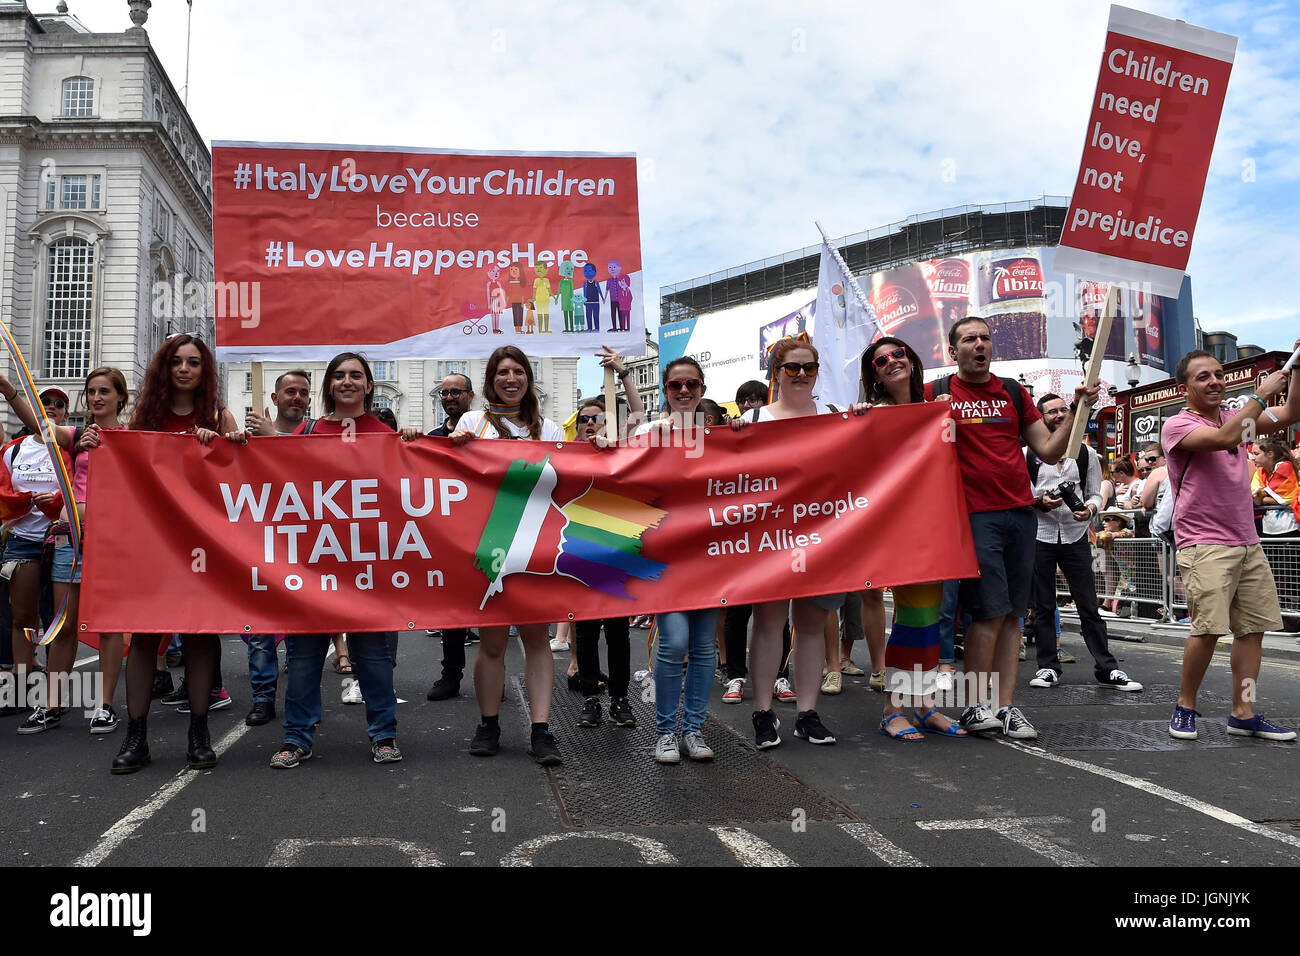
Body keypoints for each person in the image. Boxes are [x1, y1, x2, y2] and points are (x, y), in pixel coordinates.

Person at [926, 316, 1098, 739]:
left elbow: (1048, 449)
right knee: (987, 613)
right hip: (973, 515)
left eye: (985, 338)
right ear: (953, 351)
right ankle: (975, 705)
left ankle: (1006, 707)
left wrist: (1077, 410)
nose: (980, 345)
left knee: (1013, 617)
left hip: (1021, 514)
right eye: (969, 339)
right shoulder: (937, 392)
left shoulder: (1013, 392)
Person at [267, 352, 409, 768]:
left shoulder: (386, 434)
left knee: (374, 657)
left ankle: (385, 735)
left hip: (367, 562)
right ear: (329, 385)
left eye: (356, 376)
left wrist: (415, 444)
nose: (347, 382)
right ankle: (297, 738)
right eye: (340, 376)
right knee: (304, 655)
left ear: (369, 385)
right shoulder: (307, 431)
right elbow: (271, 479)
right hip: (315, 561)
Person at [731, 335, 868, 748]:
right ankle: (762, 713)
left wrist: (863, 420)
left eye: (809, 367)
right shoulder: (754, 421)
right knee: (769, 623)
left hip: (823, 537)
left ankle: (807, 714)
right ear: (777, 372)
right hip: (770, 538)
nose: (802, 374)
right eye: (793, 367)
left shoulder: (833, 414)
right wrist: (731, 434)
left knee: (810, 626)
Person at [112, 334, 239, 773]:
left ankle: (199, 732)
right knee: (146, 637)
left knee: (202, 636)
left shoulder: (218, 416)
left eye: (194, 363)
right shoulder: (144, 417)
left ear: (205, 372)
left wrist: (224, 443)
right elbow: (120, 468)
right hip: (152, 544)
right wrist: (94, 444)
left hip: (204, 545)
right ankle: (137, 734)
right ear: (164, 369)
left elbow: (242, 470)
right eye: (176, 362)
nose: (185, 369)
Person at [1163, 348, 1300, 742]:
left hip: (1247, 541)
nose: (1214, 381)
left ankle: (1243, 711)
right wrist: (1260, 395)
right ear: (1185, 386)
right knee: (1207, 630)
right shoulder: (1177, 425)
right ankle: (1185, 706)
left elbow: (1291, 412)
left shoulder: (1238, 422)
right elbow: (1222, 438)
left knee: (1252, 631)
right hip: (1204, 543)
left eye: (1219, 374)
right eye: (1203, 376)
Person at [449, 345, 565, 765]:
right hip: (489, 539)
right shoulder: (470, 421)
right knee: (493, 640)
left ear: (528, 379)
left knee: (537, 638)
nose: (511, 378)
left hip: (536, 541)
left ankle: (541, 730)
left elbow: (566, 477)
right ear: (490, 380)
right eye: (502, 372)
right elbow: (452, 477)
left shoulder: (549, 428)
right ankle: (489, 723)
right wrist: (455, 445)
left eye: (518, 371)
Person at [861, 337, 968, 739]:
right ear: (874, 375)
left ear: (912, 358)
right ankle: (893, 709)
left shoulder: (936, 411)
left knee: (930, 618)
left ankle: (923, 706)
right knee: (910, 617)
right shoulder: (874, 415)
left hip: (936, 525)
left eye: (898, 354)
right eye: (881, 360)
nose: (891, 362)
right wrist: (858, 420)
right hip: (899, 528)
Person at [635, 357, 721, 762]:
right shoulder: (647, 433)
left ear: (702, 389)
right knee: (674, 643)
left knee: (704, 647)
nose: (684, 391)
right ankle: (666, 731)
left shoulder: (720, 435)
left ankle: (694, 730)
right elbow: (617, 471)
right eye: (675, 385)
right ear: (665, 390)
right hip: (666, 554)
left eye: (691, 384)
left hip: (710, 554)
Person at [1026, 393, 1142, 693]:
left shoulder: (1085, 453)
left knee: (1088, 605)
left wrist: (1089, 510)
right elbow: (1023, 492)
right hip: (1040, 534)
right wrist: (1040, 501)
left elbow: (1093, 492)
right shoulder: (1028, 453)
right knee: (1043, 605)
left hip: (1076, 535)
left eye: (1064, 409)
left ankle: (1107, 668)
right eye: (1052, 412)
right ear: (1041, 418)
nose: (1060, 414)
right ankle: (1048, 667)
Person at [572, 347, 646, 729]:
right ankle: (590, 697)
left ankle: (619, 698)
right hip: (581, 551)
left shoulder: (622, 446)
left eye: (597, 418)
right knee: (586, 633)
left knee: (618, 633)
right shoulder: (568, 453)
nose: (590, 424)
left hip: (618, 550)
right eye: (584, 419)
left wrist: (622, 373)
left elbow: (638, 416)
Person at [240, 369, 314, 727]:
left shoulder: (316, 434)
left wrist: (276, 440)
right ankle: (263, 698)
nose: (296, 397)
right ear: (274, 398)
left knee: (304, 634)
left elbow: (318, 470)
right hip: (262, 544)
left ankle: (301, 706)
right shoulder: (250, 437)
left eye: (303, 392)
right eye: (290, 392)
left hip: (306, 548)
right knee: (260, 631)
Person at [0, 384, 72, 730]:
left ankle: (53, 697)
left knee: (58, 620)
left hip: (60, 542)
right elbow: (2, 491)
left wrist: (57, 502)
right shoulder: (13, 451)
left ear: (67, 414)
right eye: (46, 402)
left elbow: (80, 489)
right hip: (23, 543)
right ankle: (21, 684)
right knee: (23, 618)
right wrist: (23, 499)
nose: (53, 407)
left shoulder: (69, 449)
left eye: (60, 404)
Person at [425, 372, 476, 701]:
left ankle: (492, 674)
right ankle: (451, 673)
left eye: (456, 392)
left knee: (492, 607)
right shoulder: (433, 436)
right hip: (449, 533)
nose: (450, 397)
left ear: (470, 396)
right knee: (452, 609)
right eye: (445, 393)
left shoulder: (485, 433)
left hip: (486, 529)